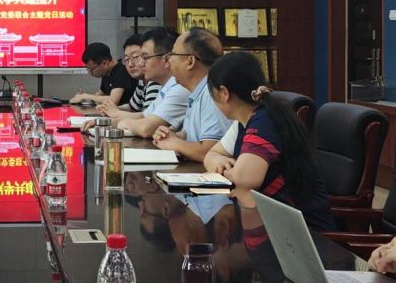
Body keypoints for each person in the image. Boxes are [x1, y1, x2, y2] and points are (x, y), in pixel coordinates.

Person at [203, 51, 335, 232]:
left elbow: (245, 179)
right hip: (272, 222)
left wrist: (225, 172)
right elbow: (211, 154)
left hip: (302, 233)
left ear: (224, 93)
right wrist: (220, 162)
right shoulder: (244, 120)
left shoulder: (265, 121)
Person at [90, 28, 189, 138]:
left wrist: (122, 122)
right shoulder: (166, 86)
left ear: (166, 59)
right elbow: (143, 115)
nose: (141, 63)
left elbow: (146, 128)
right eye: (127, 59)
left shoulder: (179, 88)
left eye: (145, 57)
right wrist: (104, 122)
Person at [152, 28, 232, 162]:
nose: (169, 60)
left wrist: (174, 143)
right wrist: (171, 136)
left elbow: (210, 151)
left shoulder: (212, 94)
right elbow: (190, 136)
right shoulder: (197, 92)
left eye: (172, 54)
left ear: (190, 61)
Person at [70, 42, 135, 106]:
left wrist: (86, 96)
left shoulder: (121, 70)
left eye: (91, 69)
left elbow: (113, 100)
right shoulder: (107, 72)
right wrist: (82, 99)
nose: (89, 72)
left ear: (104, 63)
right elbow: (99, 95)